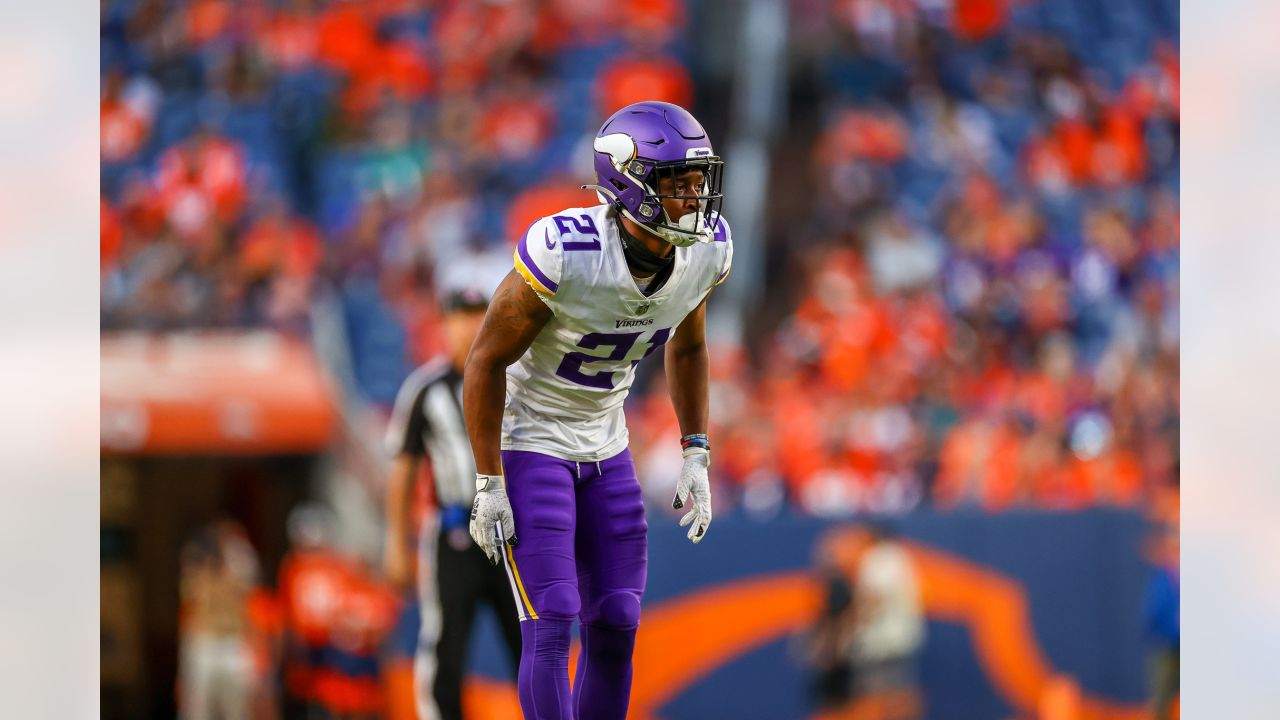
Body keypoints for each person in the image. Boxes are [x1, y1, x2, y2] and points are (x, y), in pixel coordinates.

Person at [463, 100, 732, 719]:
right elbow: (483, 360)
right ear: (630, 184)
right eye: (677, 184)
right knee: (553, 618)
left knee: (617, 617)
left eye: (699, 183)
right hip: (529, 437)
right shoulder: (569, 250)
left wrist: (697, 450)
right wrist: (488, 481)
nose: (695, 199)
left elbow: (688, 347)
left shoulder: (705, 251)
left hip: (606, 442)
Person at [383, 286, 523, 720]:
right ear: (443, 325)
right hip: (454, 533)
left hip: (513, 537)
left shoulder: (517, 380)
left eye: (476, 314)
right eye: (458, 316)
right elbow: (403, 468)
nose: (467, 326)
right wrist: (395, 542)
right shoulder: (425, 389)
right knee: (446, 647)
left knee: (534, 646)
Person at [177, 520, 262, 720]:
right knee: (198, 710)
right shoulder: (196, 566)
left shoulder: (239, 562)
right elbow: (190, 608)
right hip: (203, 643)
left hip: (232, 644)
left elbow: (248, 595)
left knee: (236, 709)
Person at [849, 522, 925, 720]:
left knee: (876, 692)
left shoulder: (879, 558)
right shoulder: (903, 557)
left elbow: (875, 597)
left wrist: (856, 620)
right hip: (903, 634)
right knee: (900, 690)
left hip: (881, 637)